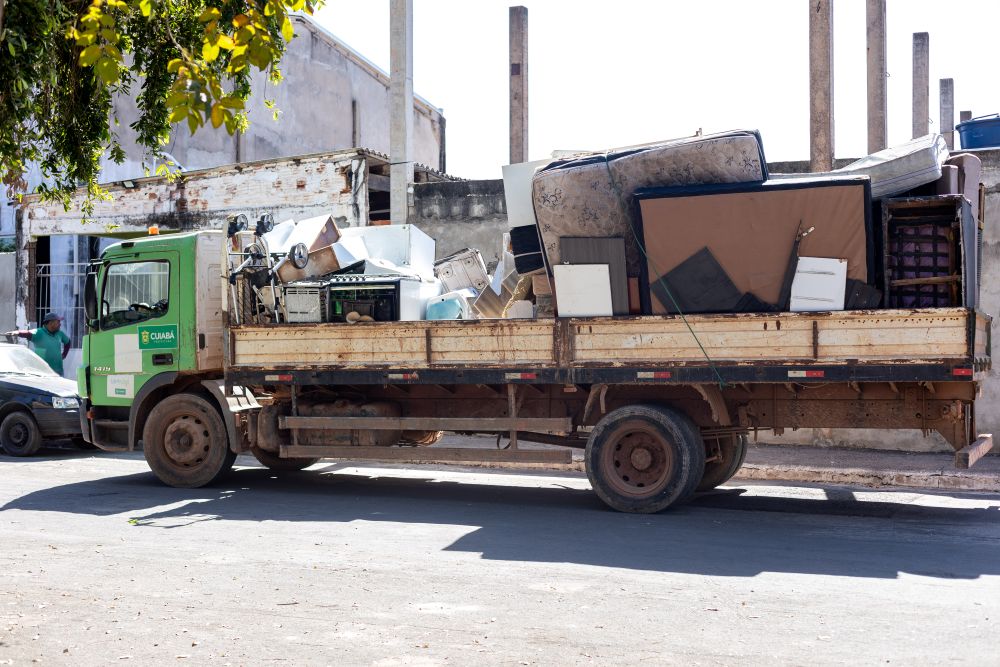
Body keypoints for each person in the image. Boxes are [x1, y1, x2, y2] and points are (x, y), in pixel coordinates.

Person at [6, 313, 71, 375]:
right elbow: (28, 333)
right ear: (51, 323)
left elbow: (68, 342)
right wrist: (17, 332)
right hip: (43, 372)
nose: (60, 324)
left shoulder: (59, 333)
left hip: (58, 372)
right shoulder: (39, 332)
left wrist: (64, 354)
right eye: (58, 322)